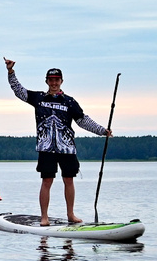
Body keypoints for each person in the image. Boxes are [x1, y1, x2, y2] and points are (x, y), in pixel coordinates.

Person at [6, 59, 111, 225]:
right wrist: (11, 72)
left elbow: (83, 120)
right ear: (47, 81)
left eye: (57, 80)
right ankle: (44, 217)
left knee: (68, 179)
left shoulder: (69, 102)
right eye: (51, 79)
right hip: (46, 147)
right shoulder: (38, 98)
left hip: (66, 148)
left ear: (61, 81)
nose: (54, 82)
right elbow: (19, 91)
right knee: (47, 180)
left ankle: (70, 214)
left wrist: (102, 131)